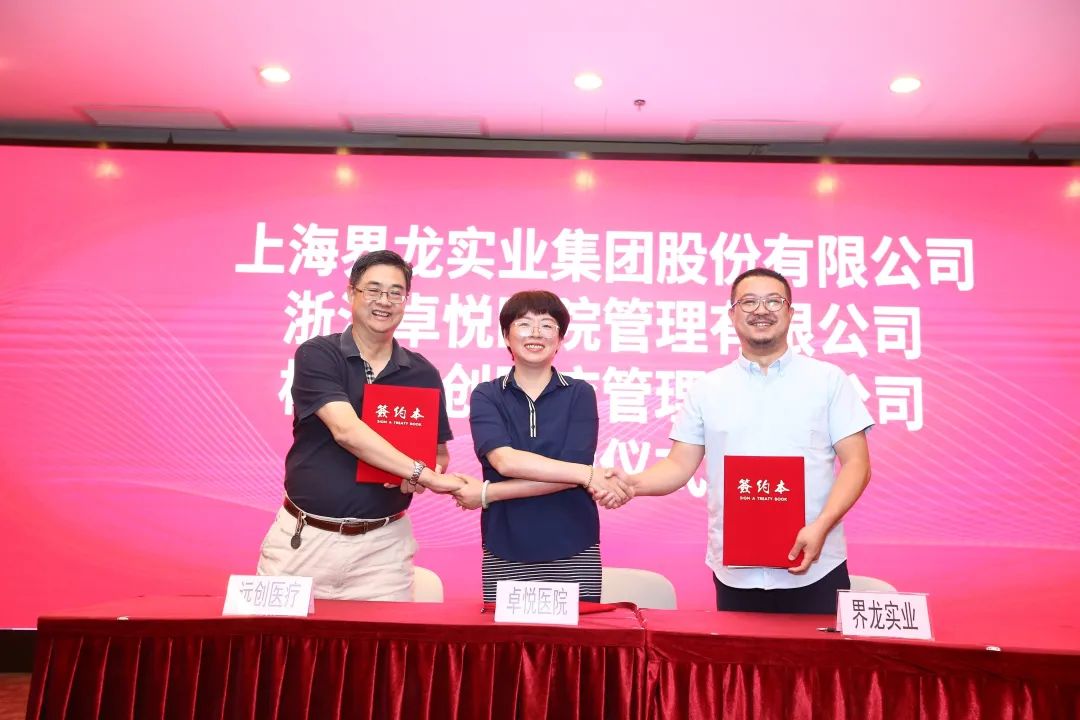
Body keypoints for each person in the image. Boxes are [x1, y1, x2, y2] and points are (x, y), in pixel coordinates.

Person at [609, 268, 873, 614]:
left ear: (790, 312)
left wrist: (822, 527)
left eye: (773, 301)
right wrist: (631, 484)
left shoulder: (828, 380)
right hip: (736, 571)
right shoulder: (708, 388)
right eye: (748, 302)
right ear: (732, 314)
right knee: (740, 652)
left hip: (817, 564)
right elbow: (678, 464)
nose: (761, 310)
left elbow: (857, 464)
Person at [257, 250, 470, 601]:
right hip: (304, 540)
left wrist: (421, 471)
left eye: (395, 293)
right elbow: (346, 431)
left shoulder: (422, 373)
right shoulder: (318, 354)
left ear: (406, 300)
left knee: (382, 639)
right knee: (276, 638)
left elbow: (438, 454)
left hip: (383, 550)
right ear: (351, 293)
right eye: (373, 289)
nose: (384, 301)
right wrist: (425, 475)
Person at [453, 290, 630, 603]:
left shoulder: (580, 393)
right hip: (504, 545)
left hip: (574, 545)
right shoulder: (487, 395)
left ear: (559, 340)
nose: (535, 333)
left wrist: (487, 493)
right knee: (504, 636)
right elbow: (505, 461)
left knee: (576, 635)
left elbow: (572, 473)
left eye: (547, 325)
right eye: (524, 324)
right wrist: (587, 474)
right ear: (506, 336)